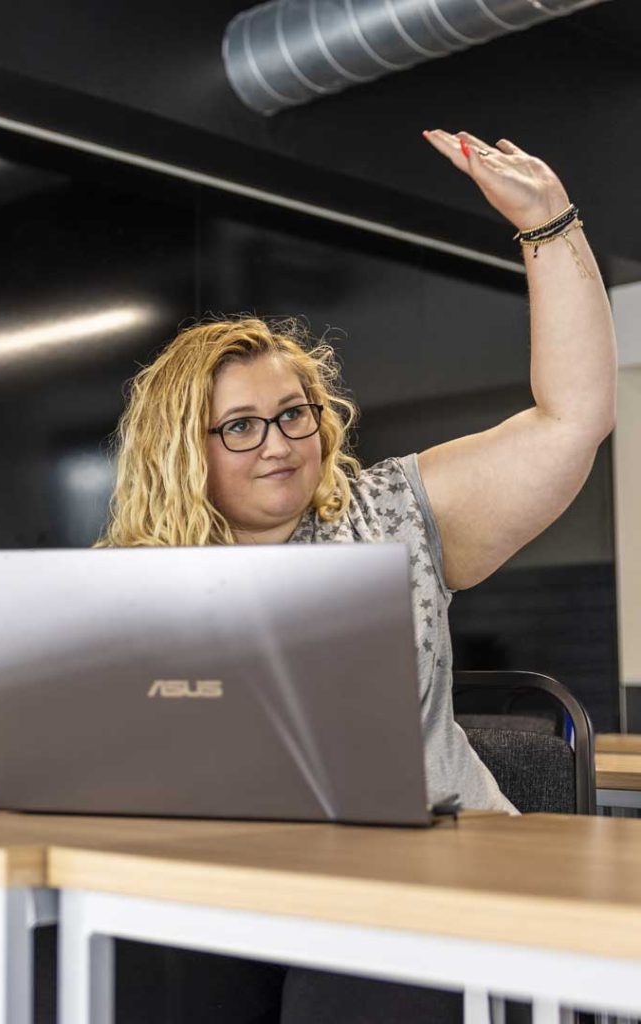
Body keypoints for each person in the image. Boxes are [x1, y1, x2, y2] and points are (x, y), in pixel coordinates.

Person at [97, 128, 617, 1022]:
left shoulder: (390, 513)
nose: (282, 443)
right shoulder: (136, 577)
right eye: (243, 427)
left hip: (419, 870)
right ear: (185, 452)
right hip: (224, 879)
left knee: (351, 990)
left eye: (294, 414)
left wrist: (548, 224)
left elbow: (573, 418)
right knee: (131, 969)